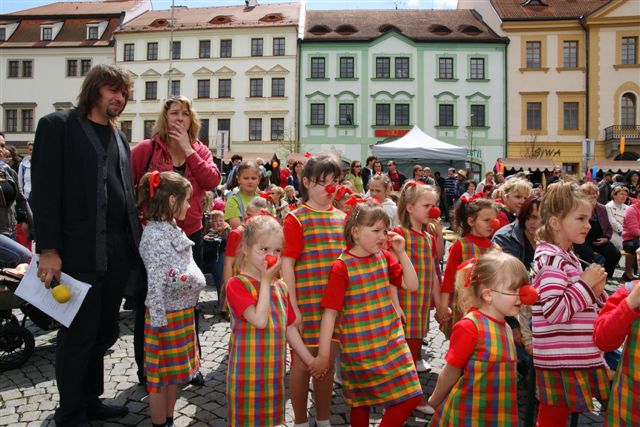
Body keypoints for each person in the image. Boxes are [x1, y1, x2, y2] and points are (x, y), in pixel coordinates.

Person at [31, 64, 141, 426]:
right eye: (113, 90)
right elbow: (44, 191)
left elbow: (124, 195)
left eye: (123, 93)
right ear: (95, 89)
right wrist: (48, 249)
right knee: (77, 336)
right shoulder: (57, 126)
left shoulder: (120, 137)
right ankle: (71, 411)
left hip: (116, 253)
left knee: (105, 331)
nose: (119, 98)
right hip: (77, 253)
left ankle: (90, 399)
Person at [309, 200, 422, 427]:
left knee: (413, 396)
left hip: (391, 341)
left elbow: (412, 285)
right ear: (356, 232)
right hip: (360, 347)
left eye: (385, 230)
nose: (382, 236)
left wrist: (402, 253)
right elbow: (330, 314)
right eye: (375, 230)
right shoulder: (342, 267)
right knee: (361, 402)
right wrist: (323, 355)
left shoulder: (385, 257)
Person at [531, 181, 609, 427]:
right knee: (552, 418)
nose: (588, 225)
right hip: (560, 359)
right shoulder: (553, 260)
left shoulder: (567, 256)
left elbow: (579, 304)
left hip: (567, 355)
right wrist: (587, 284)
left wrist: (595, 292)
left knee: (556, 416)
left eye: (589, 218)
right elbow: (555, 311)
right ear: (555, 223)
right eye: (581, 218)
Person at [226, 215, 314, 427]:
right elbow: (259, 320)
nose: (271, 256)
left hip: (271, 376)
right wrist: (266, 281)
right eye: (264, 250)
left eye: (276, 251)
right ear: (246, 249)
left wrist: (310, 361)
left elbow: (289, 328)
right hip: (246, 375)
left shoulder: (280, 286)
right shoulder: (237, 285)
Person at [428, 251, 529, 426]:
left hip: (497, 413)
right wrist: (434, 401)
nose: (524, 295)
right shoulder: (470, 327)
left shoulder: (505, 327)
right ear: (488, 294)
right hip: (468, 414)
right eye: (514, 289)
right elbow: (450, 373)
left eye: (523, 288)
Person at [137, 171, 206, 427]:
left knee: (173, 376)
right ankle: (160, 423)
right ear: (171, 201)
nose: (189, 205)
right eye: (186, 200)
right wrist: (191, 278)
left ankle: (168, 419)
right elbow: (158, 280)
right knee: (159, 379)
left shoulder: (170, 228)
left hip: (180, 311)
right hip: (164, 316)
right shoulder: (155, 235)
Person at [282, 154, 345, 427]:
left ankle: (323, 418)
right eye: (322, 182)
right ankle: (299, 421)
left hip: (335, 307)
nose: (329, 188)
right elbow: (287, 265)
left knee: (327, 365)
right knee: (301, 366)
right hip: (306, 305)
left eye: (334, 182)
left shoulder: (343, 219)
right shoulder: (296, 219)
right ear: (305, 182)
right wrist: (292, 306)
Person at [131, 95, 220, 268]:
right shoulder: (147, 149)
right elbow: (127, 187)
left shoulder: (200, 150)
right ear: (165, 118)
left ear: (191, 119)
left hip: (191, 234)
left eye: (185, 114)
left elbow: (211, 181)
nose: (180, 118)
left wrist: (188, 149)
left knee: (189, 290)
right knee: (151, 291)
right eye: (174, 113)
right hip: (154, 234)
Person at [393, 181, 445, 413]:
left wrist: (440, 303)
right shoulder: (398, 235)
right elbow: (391, 274)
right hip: (404, 305)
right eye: (427, 205)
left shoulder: (427, 237)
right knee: (403, 354)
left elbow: (433, 272)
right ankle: (406, 398)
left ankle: (407, 398)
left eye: (434, 205)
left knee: (413, 352)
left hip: (421, 305)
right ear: (410, 207)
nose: (432, 210)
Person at [438, 198, 498, 339]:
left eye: (494, 220)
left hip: (487, 306)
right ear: (471, 221)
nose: (492, 224)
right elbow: (448, 279)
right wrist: (442, 306)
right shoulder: (461, 246)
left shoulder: (495, 248)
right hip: (462, 307)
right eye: (486, 220)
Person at [593, 276, 640, 426]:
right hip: (630, 404)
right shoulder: (631, 290)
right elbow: (602, 339)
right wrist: (629, 304)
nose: (638, 251)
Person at [220, 197, 268, 313]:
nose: (250, 220)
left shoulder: (266, 234)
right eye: (248, 216)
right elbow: (228, 264)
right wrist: (229, 291)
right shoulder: (237, 234)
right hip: (239, 284)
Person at [574, 182, 621, 279]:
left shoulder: (602, 208)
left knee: (615, 254)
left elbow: (608, 226)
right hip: (582, 237)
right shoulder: (577, 207)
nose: (593, 195)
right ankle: (580, 277)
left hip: (599, 238)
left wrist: (607, 238)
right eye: (589, 193)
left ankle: (605, 277)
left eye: (594, 193)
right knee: (587, 254)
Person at [492, 195, 542, 269]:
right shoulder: (504, 239)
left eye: (544, 218)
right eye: (533, 217)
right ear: (524, 215)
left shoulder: (552, 235)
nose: (538, 223)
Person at [203, 210, 230, 307]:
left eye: (220, 220)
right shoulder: (208, 231)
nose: (218, 223)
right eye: (215, 221)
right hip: (208, 256)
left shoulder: (227, 230)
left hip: (219, 257)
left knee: (220, 272)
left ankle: (223, 303)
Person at [606, 185, 634, 280]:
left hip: (626, 233)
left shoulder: (628, 207)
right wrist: (624, 231)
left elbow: (631, 222)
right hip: (613, 234)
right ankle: (627, 271)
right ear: (614, 195)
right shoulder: (608, 206)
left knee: (633, 245)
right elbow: (612, 222)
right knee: (630, 246)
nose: (624, 196)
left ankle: (628, 271)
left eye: (626, 195)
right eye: (621, 194)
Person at [224, 161, 261, 229]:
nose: (250, 181)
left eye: (253, 178)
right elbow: (237, 227)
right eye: (246, 178)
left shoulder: (261, 199)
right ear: (238, 179)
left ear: (259, 180)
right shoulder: (233, 201)